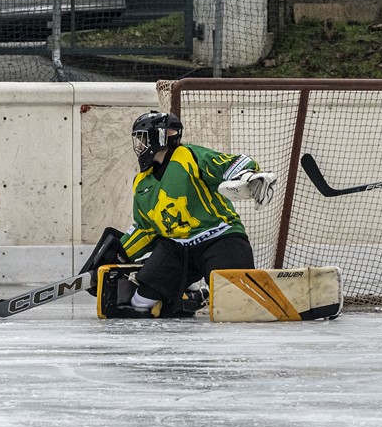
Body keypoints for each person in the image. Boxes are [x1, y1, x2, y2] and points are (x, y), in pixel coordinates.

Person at [110, 110, 277, 318]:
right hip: (177, 248)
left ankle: (206, 292)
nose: (140, 145)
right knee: (139, 303)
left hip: (220, 239)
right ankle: (190, 298)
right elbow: (146, 228)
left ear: (158, 136)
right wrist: (119, 253)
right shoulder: (142, 182)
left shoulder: (188, 156)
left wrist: (249, 176)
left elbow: (230, 163)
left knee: (235, 304)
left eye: (143, 138)